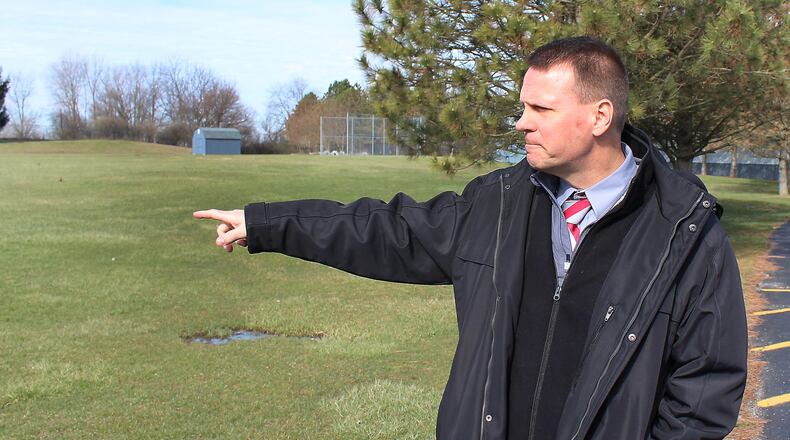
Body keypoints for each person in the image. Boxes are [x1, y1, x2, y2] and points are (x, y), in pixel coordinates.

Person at [194, 36, 747, 440]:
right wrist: (267, 223)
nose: (520, 123)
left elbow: (703, 391)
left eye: (540, 109)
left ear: (600, 115)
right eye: (521, 106)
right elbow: (386, 230)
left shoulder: (685, 233)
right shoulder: (497, 203)